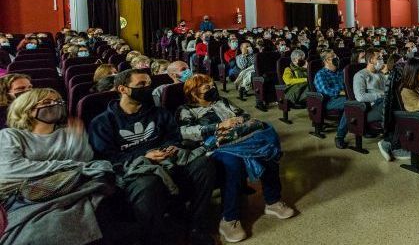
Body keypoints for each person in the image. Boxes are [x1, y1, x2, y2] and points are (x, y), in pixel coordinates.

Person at [88, 69, 216, 245]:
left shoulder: (159, 112)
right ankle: (153, 238)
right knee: (149, 183)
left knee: (204, 164)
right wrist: (145, 155)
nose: (147, 88)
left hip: (168, 160)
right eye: (141, 84)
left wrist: (170, 148)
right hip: (134, 169)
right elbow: (107, 157)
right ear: (123, 89)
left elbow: (174, 137)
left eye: (149, 84)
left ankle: (196, 226)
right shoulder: (102, 122)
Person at [177, 75, 295, 243]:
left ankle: (273, 201)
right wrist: (219, 126)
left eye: (212, 85)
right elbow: (185, 132)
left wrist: (240, 120)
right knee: (233, 163)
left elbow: (243, 114)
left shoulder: (222, 101)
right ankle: (229, 219)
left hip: (240, 138)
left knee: (267, 152)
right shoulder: (186, 110)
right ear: (194, 93)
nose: (212, 88)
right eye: (206, 87)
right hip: (215, 146)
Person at [0, 89, 122, 245]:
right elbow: (10, 169)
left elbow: (85, 161)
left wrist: (77, 139)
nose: (55, 105)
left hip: (72, 187)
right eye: (47, 102)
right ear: (28, 109)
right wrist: (68, 165)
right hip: (29, 195)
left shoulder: (68, 133)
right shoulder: (11, 135)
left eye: (58, 101)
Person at [346, 48, 388, 144]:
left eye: (382, 57)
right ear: (370, 60)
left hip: (383, 103)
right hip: (371, 108)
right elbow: (360, 97)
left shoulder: (381, 74)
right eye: (379, 58)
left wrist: (387, 74)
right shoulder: (360, 75)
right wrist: (381, 95)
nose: (382, 60)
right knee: (391, 106)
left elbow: (387, 90)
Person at [313, 50, 348, 149]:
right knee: (350, 103)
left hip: (344, 97)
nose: (337, 58)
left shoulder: (340, 72)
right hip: (329, 101)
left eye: (336, 56)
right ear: (327, 60)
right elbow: (326, 91)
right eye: (333, 57)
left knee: (356, 101)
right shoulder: (321, 74)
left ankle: (362, 128)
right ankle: (339, 136)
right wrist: (342, 92)